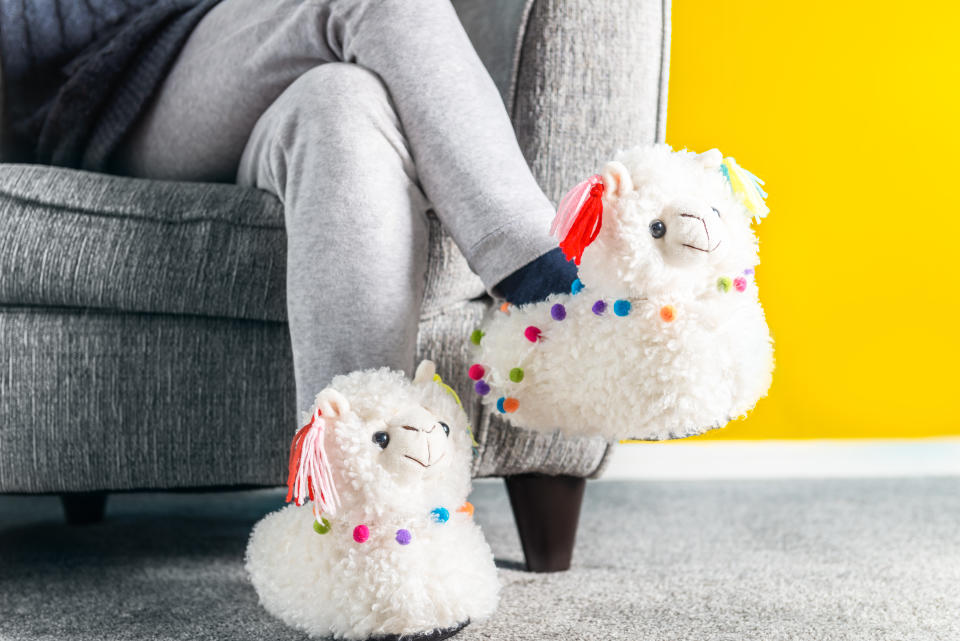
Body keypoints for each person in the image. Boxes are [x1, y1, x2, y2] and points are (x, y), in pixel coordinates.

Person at [0, 0, 577, 411]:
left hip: (252, 45)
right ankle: (553, 290)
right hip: (112, 95)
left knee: (342, 108)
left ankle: (356, 493)